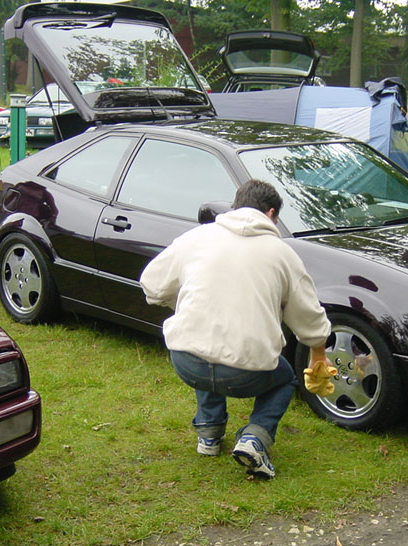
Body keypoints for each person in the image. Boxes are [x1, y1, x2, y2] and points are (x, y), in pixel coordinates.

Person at [140, 180, 332, 480]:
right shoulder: (282, 254)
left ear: (235, 206)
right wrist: (318, 352)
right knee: (285, 379)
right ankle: (255, 438)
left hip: (186, 362)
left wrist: (182, 305)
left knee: (205, 342)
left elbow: (152, 285)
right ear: (271, 214)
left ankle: (209, 434)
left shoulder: (194, 238)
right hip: (245, 372)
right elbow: (307, 314)